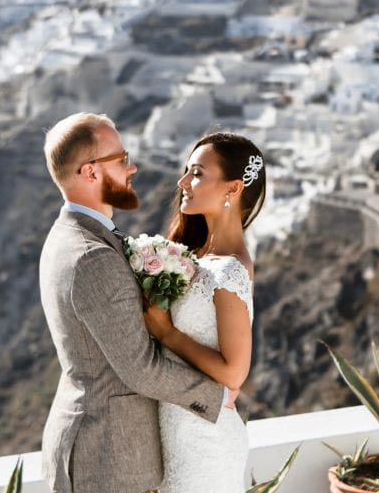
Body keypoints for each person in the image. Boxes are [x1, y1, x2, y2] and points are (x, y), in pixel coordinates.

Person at [38, 113, 235, 493]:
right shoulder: (91, 256)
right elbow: (140, 368)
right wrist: (216, 395)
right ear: (91, 173)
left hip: (97, 445)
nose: (133, 167)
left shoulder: (68, 236)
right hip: (107, 456)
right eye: (122, 159)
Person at [143, 132, 266, 493]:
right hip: (177, 431)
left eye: (196, 173)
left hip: (205, 443)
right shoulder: (193, 256)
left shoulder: (229, 271)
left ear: (232, 189)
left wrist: (168, 334)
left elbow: (234, 373)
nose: (183, 182)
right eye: (187, 171)